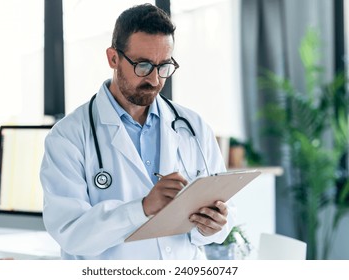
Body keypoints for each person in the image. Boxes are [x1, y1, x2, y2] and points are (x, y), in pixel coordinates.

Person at [40, 3, 235, 260]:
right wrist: (142, 209)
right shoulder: (68, 136)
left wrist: (213, 226)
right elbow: (71, 233)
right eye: (143, 66)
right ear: (113, 58)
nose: (154, 80)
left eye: (164, 66)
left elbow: (222, 217)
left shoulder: (193, 126)